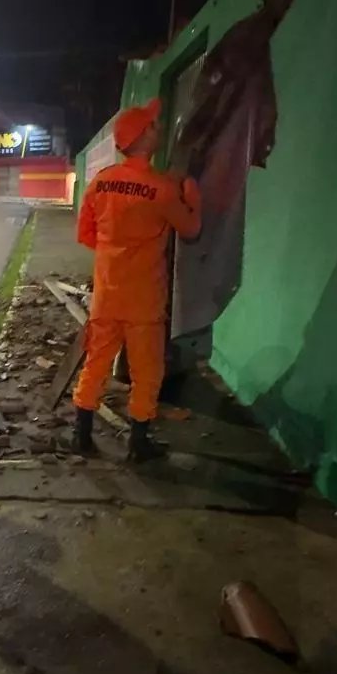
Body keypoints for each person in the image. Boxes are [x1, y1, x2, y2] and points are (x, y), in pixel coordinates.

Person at [72, 97, 202, 463]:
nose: (158, 129)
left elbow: (86, 235)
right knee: (147, 372)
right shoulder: (162, 189)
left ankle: (80, 435)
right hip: (144, 300)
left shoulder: (100, 183)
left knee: (96, 363)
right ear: (144, 137)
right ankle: (138, 444)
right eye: (153, 125)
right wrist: (194, 199)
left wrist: (116, 253)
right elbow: (191, 229)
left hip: (107, 296)